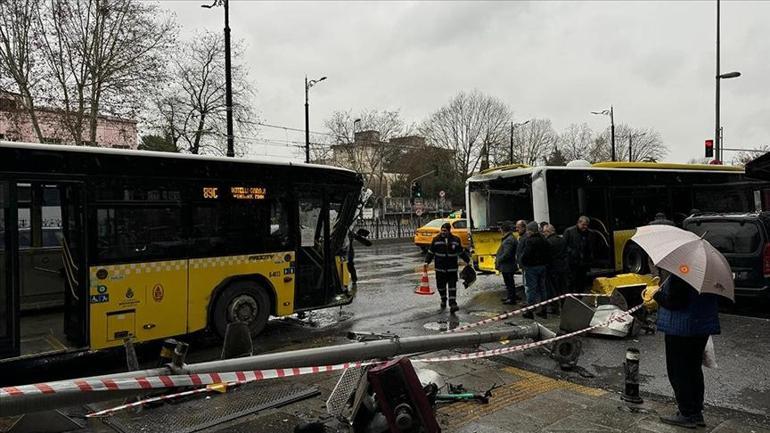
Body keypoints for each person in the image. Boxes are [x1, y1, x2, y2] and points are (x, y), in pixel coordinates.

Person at [649, 271, 720, 428]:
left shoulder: (682, 273)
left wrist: (656, 294)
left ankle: (686, 413)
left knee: (679, 371)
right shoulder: (707, 273)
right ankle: (696, 412)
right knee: (693, 370)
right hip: (701, 327)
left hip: (681, 328)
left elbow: (675, 302)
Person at [425, 222, 472, 313]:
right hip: (440, 269)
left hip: (452, 269)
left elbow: (461, 252)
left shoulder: (455, 240)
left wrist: (468, 261)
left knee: (452, 287)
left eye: (445, 231)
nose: (443, 232)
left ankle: (453, 304)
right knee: (441, 287)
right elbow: (430, 252)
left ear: (449, 231)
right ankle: (443, 299)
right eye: (442, 231)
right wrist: (427, 262)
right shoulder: (436, 240)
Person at [520, 221, 550, 319]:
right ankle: (543, 309)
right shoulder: (544, 239)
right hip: (543, 266)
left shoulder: (530, 241)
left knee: (531, 289)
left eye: (528, 230)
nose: (527, 232)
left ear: (531, 231)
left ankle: (530, 311)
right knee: (543, 288)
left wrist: (523, 262)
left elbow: (526, 254)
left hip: (531, 267)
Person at [564, 216, 594, 291]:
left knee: (582, 280)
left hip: (584, 261)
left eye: (586, 225)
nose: (585, 227)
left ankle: (580, 293)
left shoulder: (590, 233)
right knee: (572, 279)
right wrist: (571, 252)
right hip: (572, 261)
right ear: (578, 223)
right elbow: (564, 245)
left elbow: (590, 246)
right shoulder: (569, 231)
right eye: (583, 225)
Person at [543, 224, 568, 314]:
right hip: (562, 267)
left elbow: (546, 256)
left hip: (552, 268)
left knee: (552, 289)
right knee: (563, 288)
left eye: (544, 232)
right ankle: (564, 306)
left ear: (548, 232)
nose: (544, 234)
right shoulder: (562, 240)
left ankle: (555, 308)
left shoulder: (547, 242)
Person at [495, 221, 518, 304]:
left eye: (501, 229)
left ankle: (511, 298)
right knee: (508, 282)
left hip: (508, 265)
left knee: (509, 282)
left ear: (503, 230)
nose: (500, 231)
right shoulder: (509, 238)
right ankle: (510, 296)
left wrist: (499, 259)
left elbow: (507, 254)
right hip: (507, 265)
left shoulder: (509, 240)